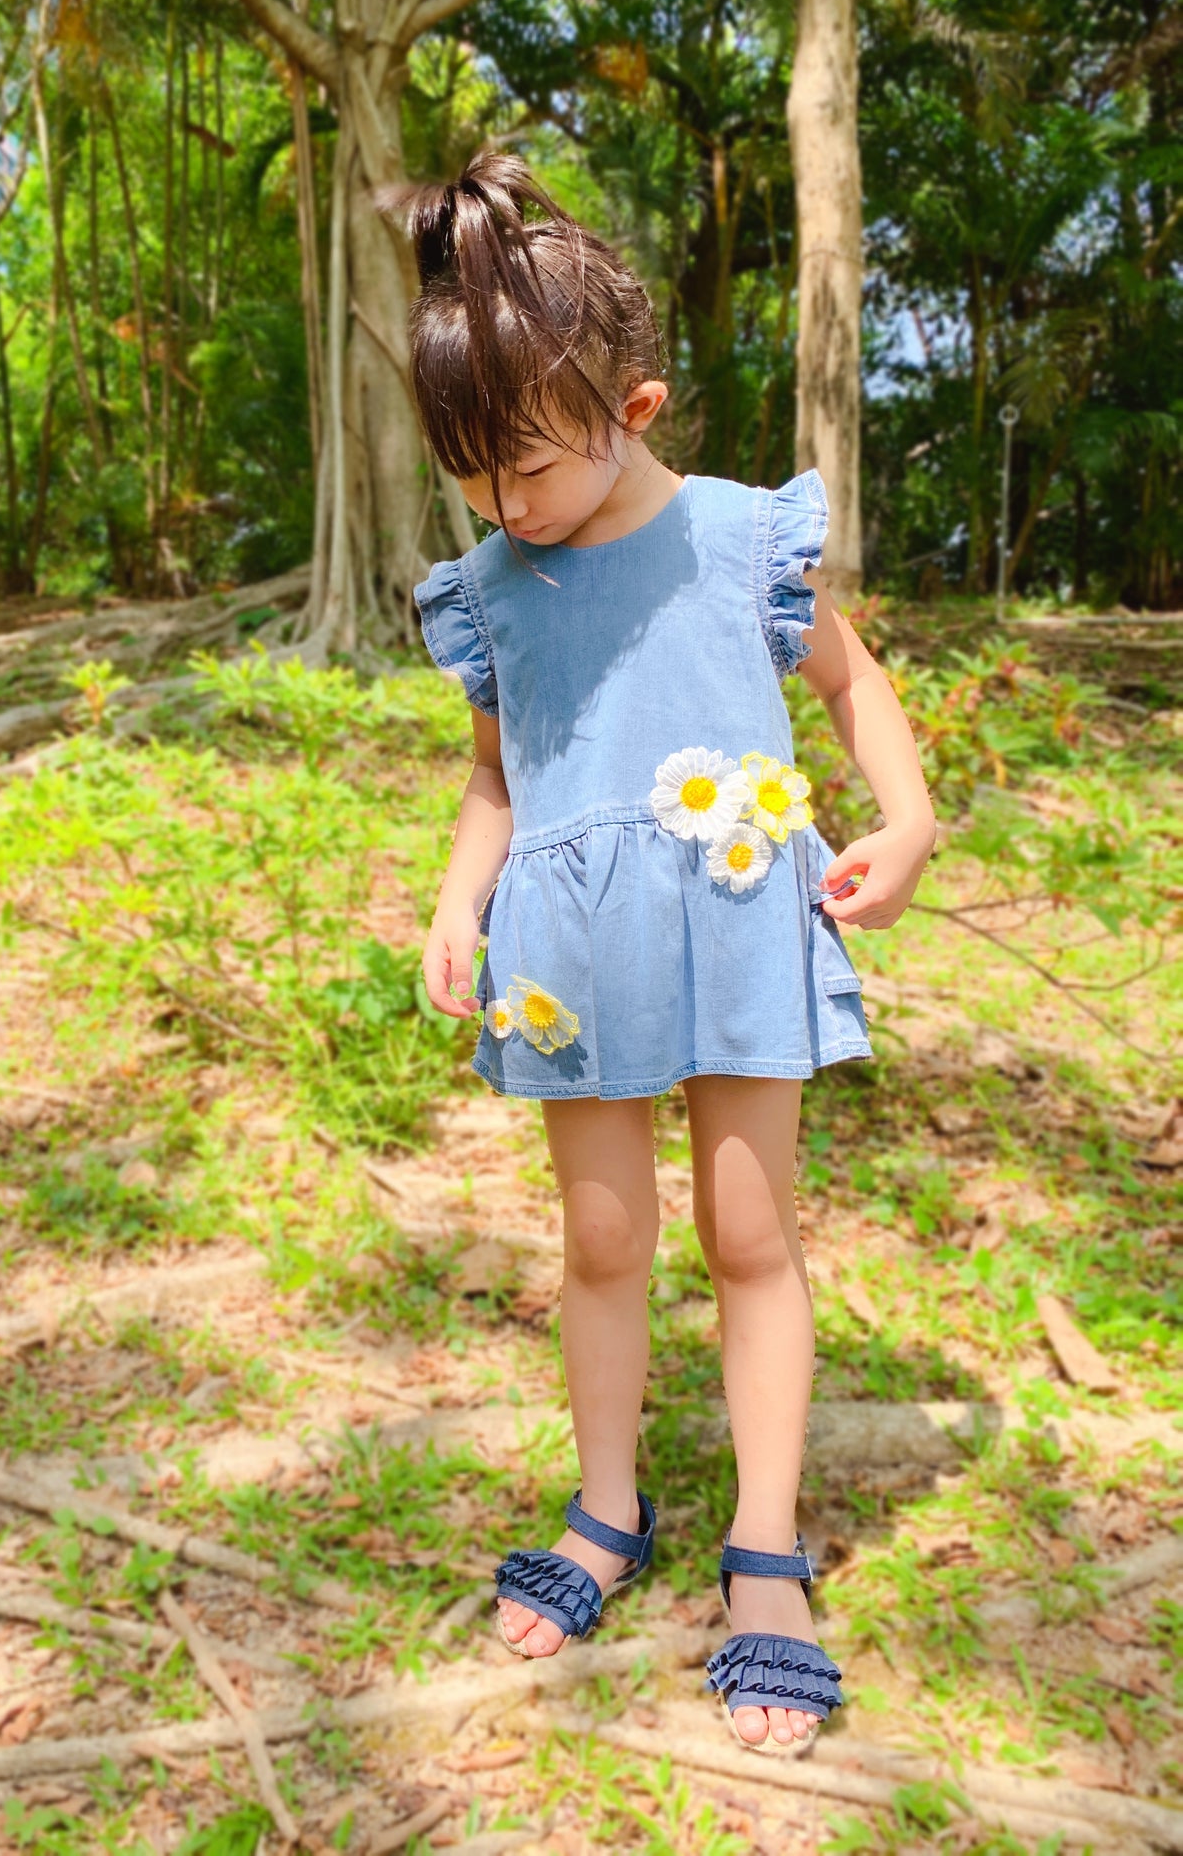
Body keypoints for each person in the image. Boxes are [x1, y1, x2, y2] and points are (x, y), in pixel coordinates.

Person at [406, 154, 935, 1756]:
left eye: (530, 469)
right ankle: (605, 1509)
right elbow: (498, 778)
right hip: (573, 955)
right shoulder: (493, 589)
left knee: (751, 1237)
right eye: (475, 482)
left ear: (630, 404)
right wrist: (453, 899)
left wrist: (903, 823)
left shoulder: (733, 537)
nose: (508, 509)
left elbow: (850, 686)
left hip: (734, 925)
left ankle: (764, 1550)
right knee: (603, 1244)